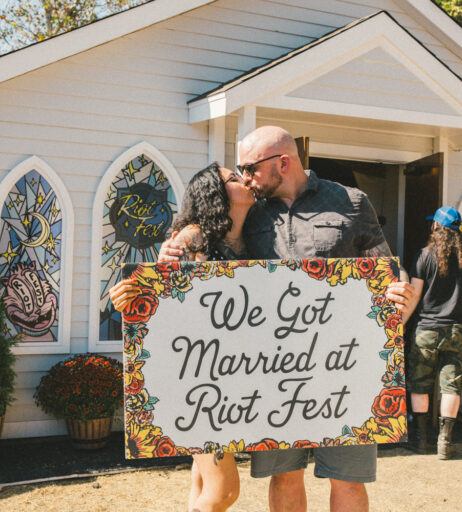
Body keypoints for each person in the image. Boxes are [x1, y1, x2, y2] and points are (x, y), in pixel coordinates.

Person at [160, 126, 415, 512]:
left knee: (348, 481)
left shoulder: (351, 201)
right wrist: (175, 248)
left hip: (344, 367)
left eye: (249, 167)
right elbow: (205, 250)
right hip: (273, 373)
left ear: (283, 162)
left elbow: (389, 275)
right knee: (284, 477)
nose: (244, 177)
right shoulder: (249, 210)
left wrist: (401, 297)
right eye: (239, 171)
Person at [109, 162, 254, 512]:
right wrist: (126, 294)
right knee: (224, 491)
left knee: (201, 481)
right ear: (215, 193)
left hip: (231, 375)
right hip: (195, 379)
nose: (243, 179)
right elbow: (161, 300)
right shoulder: (193, 238)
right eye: (233, 177)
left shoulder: (252, 238)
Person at [404, 206, 462, 460]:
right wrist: (461, 293)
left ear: (435, 227)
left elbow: (415, 294)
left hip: (426, 330)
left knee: (420, 384)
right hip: (457, 329)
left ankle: (422, 441)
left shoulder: (424, 255)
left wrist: (400, 323)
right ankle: (445, 444)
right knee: (451, 386)